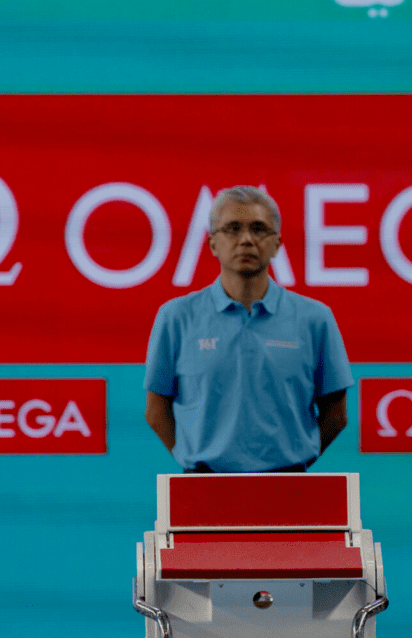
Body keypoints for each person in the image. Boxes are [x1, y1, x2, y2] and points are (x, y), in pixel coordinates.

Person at [144, 185, 354, 473]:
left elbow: (337, 414)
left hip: (290, 485)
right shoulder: (176, 317)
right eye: (232, 228)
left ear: (277, 243)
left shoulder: (315, 319)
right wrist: (193, 461)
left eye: (259, 229)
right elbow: (156, 410)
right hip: (201, 485)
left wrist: (296, 459)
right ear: (212, 243)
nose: (246, 240)